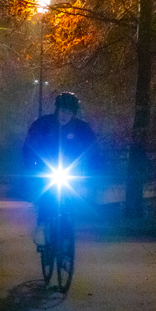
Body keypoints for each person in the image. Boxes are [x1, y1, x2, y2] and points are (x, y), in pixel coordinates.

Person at [23, 91, 97, 245]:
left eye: (68, 112)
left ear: (73, 113)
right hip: (47, 169)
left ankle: (68, 225)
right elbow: (29, 147)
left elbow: (94, 151)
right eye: (62, 111)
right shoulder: (43, 125)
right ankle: (42, 226)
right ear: (57, 110)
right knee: (46, 195)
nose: (64, 115)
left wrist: (93, 172)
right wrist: (32, 168)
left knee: (73, 195)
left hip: (71, 170)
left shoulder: (82, 129)